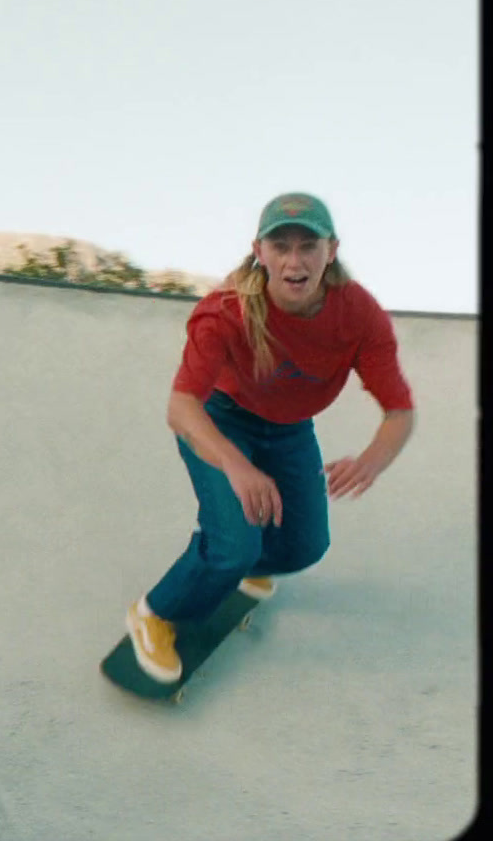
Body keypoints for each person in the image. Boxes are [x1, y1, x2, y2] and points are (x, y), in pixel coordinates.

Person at [127, 192, 416, 683]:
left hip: (289, 429)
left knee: (304, 548)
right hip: (220, 420)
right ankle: (155, 612)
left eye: (309, 246)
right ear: (259, 251)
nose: (295, 261)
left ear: (333, 250)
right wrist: (237, 466)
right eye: (280, 246)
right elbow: (181, 407)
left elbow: (399, 412)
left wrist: (372, 460)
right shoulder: (225, 311)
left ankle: (230, 554)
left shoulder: (359, 315)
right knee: (233, 547)